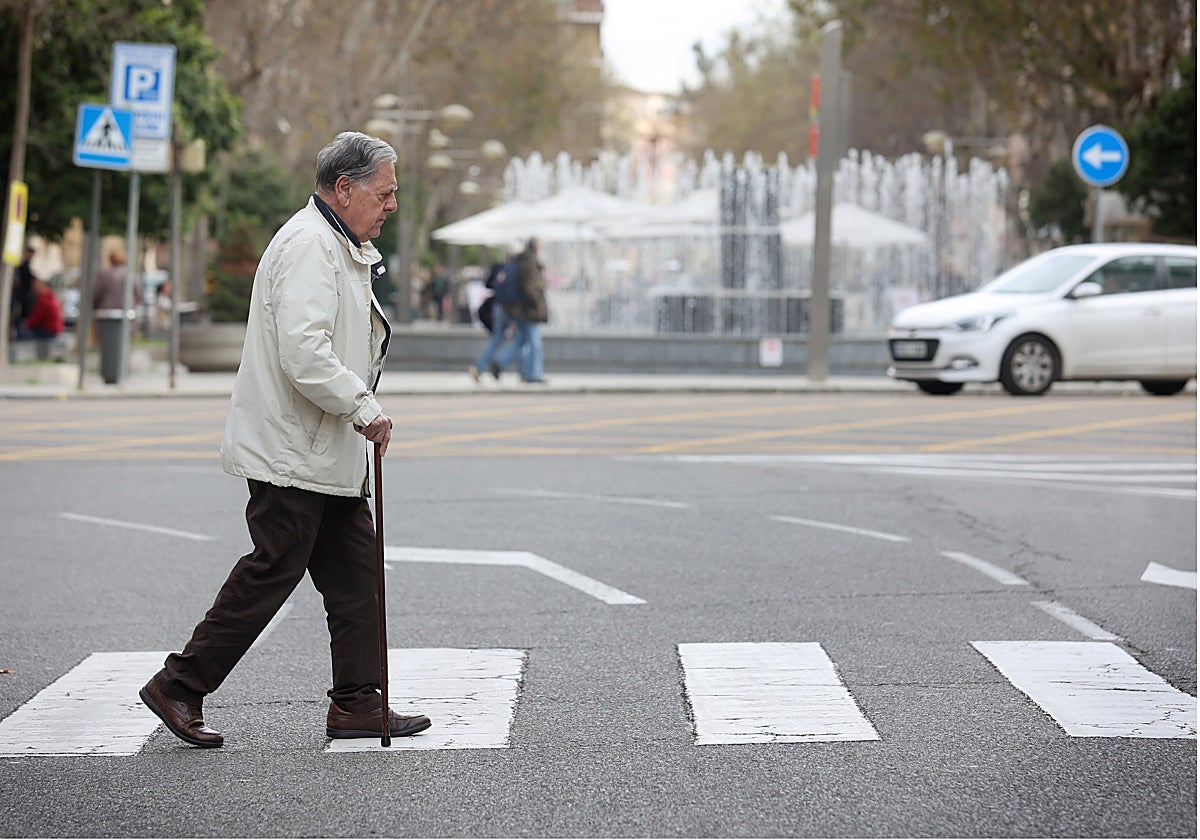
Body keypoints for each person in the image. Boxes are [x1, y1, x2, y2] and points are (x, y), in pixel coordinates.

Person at [139, 131, 431, 748]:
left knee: (356, 577)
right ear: (344, 188)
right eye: (384, 193)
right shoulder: (308, 246)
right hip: (293, 452)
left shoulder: (338, 244)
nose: (392, 206)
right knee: (271, 572)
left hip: (322, 453)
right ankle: (179, 685)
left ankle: (358, 704)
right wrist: (363, 408)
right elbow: (305, 354)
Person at [492, 237, 549, 384]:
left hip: (519, 309)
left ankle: (502, 363)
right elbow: (529, 287)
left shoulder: (520, 261)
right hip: (528, 310)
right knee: (535, 344)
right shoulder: (530, 263)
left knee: (521, 341)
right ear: (536, 248)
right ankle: (534, 375)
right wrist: (537, 303)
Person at [92, 247, 129, 312]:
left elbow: (96, 295)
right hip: (125, 315)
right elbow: (139, 295)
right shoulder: (130, 275)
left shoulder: (103, 274)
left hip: (105, 315)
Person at [11, 245, 35, 334]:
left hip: (23, 292)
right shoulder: (24, 264)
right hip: (21, 292)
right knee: (19, 312)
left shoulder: (26, 264)